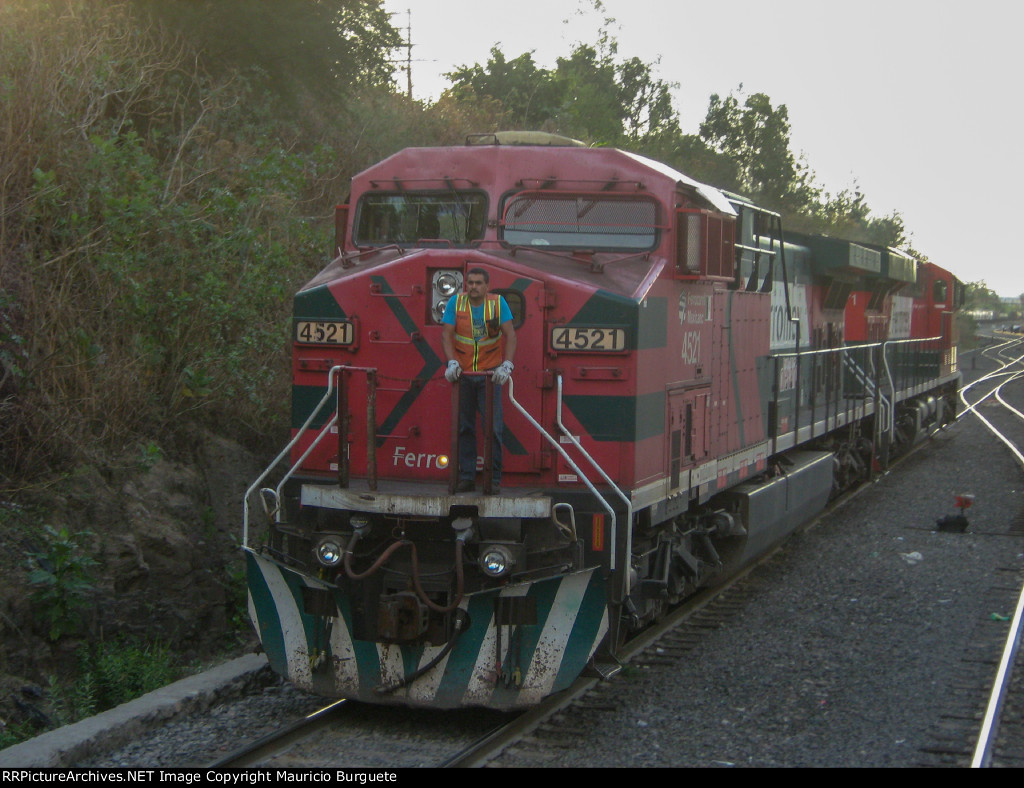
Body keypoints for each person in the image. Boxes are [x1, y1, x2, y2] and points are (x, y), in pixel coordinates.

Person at [441, 268, 516, 494]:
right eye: (470, 283)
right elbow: (447, 334)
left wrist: (507, 365)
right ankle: (467, 477)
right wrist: (451, 362)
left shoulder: (498, 303)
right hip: (463, 376)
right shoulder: (456, 303)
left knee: (493, 428)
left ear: (487, 285)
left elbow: (511, 335)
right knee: (464, 427)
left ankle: (492, 480)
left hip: (490, 376)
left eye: (478, 283)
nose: (473, 286)